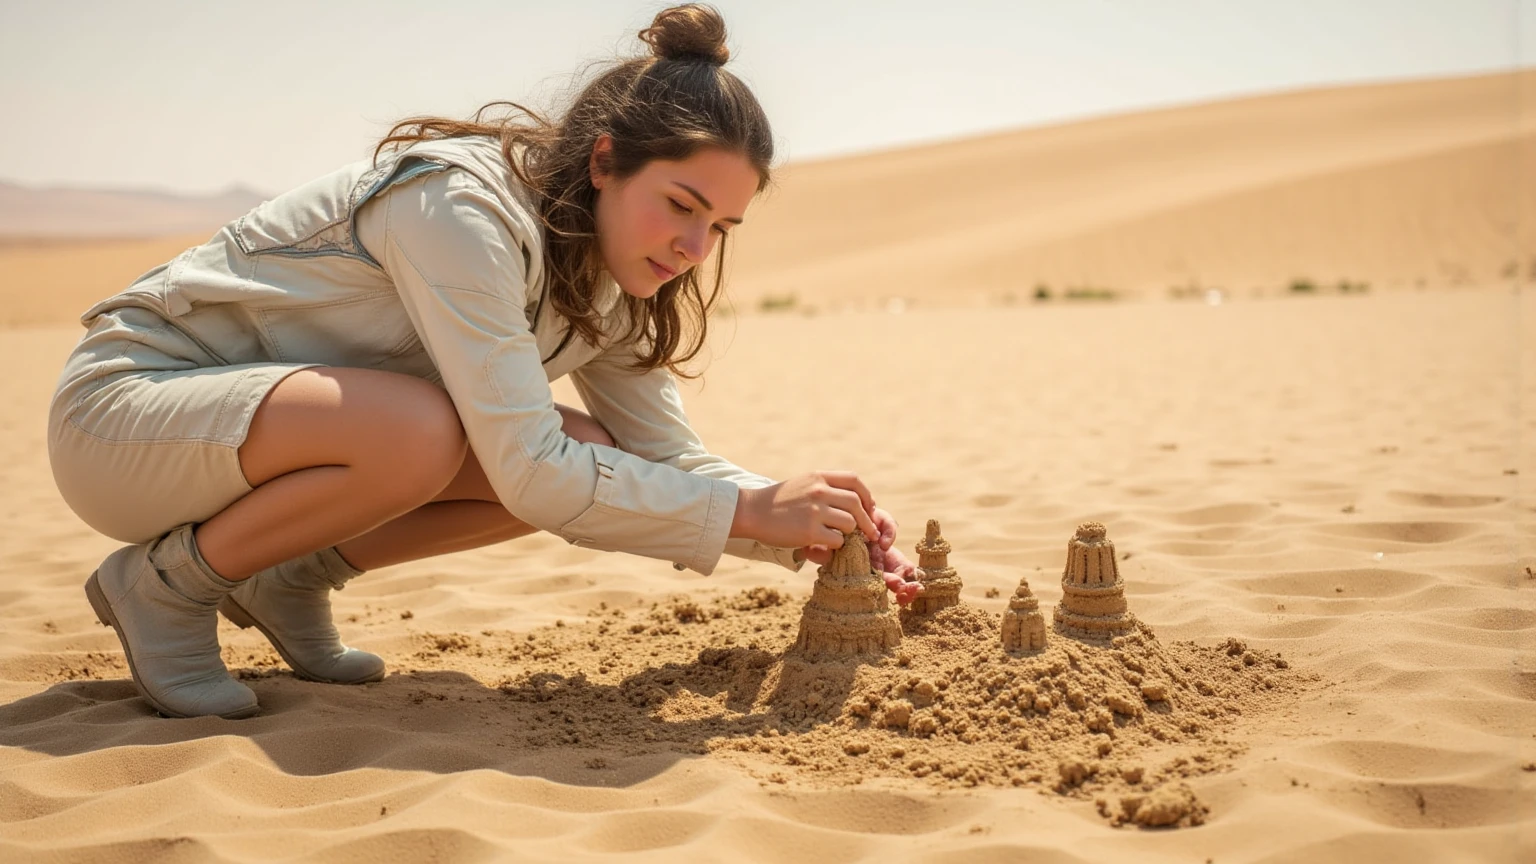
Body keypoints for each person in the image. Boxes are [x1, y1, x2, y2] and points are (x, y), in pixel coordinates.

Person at [45, 4, 922, 721]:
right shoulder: (460, 209)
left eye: (719, 228)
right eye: (682, 206)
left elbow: (665, 460)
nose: (694, 247)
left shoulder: (611, 272)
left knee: (583, 441)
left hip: (253, 449)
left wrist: (802, 532)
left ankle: (284, 576)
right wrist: (754, 511)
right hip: (125, 420)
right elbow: (536, 471)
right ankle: (163, 586)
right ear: (607, 161)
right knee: (453, 438)